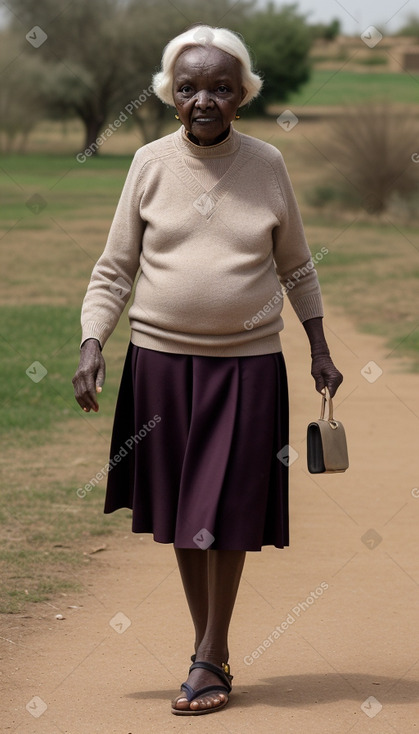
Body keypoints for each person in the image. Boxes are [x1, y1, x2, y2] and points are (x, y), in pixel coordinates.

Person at [72, 24, 343, 716]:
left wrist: (317, 347)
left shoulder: (267, 165)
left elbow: (297, 267)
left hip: (247, 368)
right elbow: (115, 268)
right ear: (169, 95)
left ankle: (206, 653)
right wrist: (92, 341)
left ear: (241, 95)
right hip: (161, 366)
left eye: (220, 87)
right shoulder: (149, 165)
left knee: (226, 513)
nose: (203, 98)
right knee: (185, 516)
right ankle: (211, 649)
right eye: (188, 86)